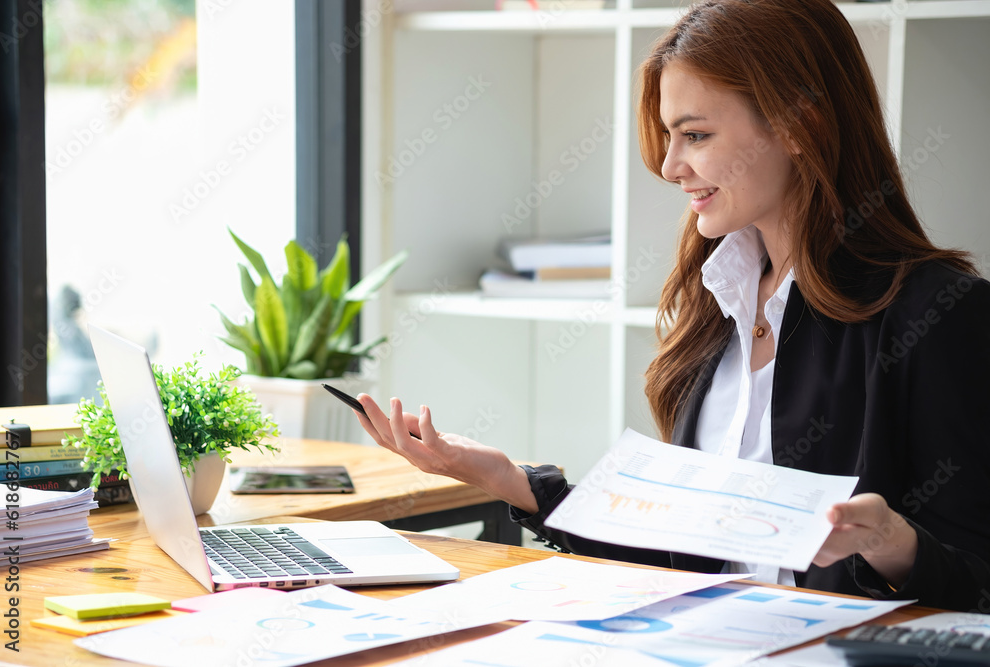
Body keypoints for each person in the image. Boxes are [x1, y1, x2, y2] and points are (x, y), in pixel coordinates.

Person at [356, 0, 990, 613]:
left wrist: (890, 544)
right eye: (668, 135)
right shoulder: (718, 301)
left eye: (695, 135)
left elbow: (976, 579)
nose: (668, 165)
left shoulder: (937, 312)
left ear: (801, 126)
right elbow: (684, 555)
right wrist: (503, 478)